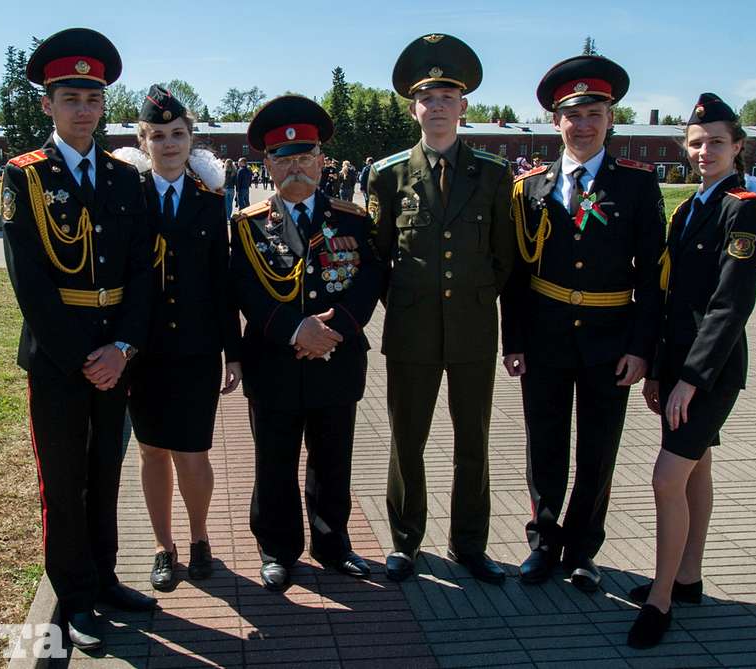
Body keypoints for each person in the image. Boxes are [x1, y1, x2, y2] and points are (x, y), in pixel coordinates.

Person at [1, 27, 155, 650]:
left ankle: (105, 577)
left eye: (93, 99)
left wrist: (122, 349)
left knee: (106, 470)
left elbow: (142, 270)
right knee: (64, 481)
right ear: (48, 104)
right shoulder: (25, 176)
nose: (84, 110)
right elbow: (29, 279)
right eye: (71, 98)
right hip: (59, 360)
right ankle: (73, 594)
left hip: (115, 354)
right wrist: (81, 358)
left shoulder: (124, 177)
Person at [500, 55, 665, 593]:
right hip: (544, 338)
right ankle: (543, 544)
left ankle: (583, 551)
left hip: (610, 341)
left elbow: (652, 277)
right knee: (544, 445)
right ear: (556, 122)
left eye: (595, 113)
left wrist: (642, 348)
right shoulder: (530, 188)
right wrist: (513, 340)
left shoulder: (637, 186)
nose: (584, 124)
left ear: (611, 118)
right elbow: (516, 274)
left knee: (598, 449)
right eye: (573, 114)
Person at [369, 33, 514, 585]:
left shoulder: (494, 174)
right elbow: (379, 257)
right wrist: (410, 303)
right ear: (414, 109)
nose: (437, 107)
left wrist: (473, 299)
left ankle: (469, 544)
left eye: (447, 98)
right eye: (427, 99)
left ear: (463, 106)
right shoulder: (387, 175)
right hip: (411, 332)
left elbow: (504, 257)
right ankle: (405, 542)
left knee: (473, 442)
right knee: (407, 440)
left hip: (473, 330)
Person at [627, 93, 756, 649]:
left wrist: (690, 379)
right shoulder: (689, 209)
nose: (704, 151)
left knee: (667, 478)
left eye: (716, 142)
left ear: (737, 146)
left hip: (710, 373)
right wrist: (660, 371)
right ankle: (687, 578)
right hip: (679, 367)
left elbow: (730, 305)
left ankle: (660, 599)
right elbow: (670, 299)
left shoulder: (742, 209)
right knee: (696, 468)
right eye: (696, 143)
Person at [230, 95, 382, 592]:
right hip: (273, 361)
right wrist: (297, 331)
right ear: (267, 165)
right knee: (274, 461)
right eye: (283, 158)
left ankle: (333, 544)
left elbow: (370, 279)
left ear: (321, 160)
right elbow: (245, 289)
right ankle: (277, 549)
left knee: (333, 460)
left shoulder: (353, 219)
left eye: (304, 156)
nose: (295, 166)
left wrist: (333, 330)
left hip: (336, 358)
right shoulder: (248, 224)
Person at [119, 85, 243, 591]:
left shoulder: (210, 202)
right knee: (152, 451)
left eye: (177, 134)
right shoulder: (127, 197)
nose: (168, 144)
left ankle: (199, 538)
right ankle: (162, 546)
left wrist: (233, 352)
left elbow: (221, 281)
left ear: (191, 139)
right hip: (142, 350)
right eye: (157, 135)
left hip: (196, 348)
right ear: (143, 141)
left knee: (193, 452)